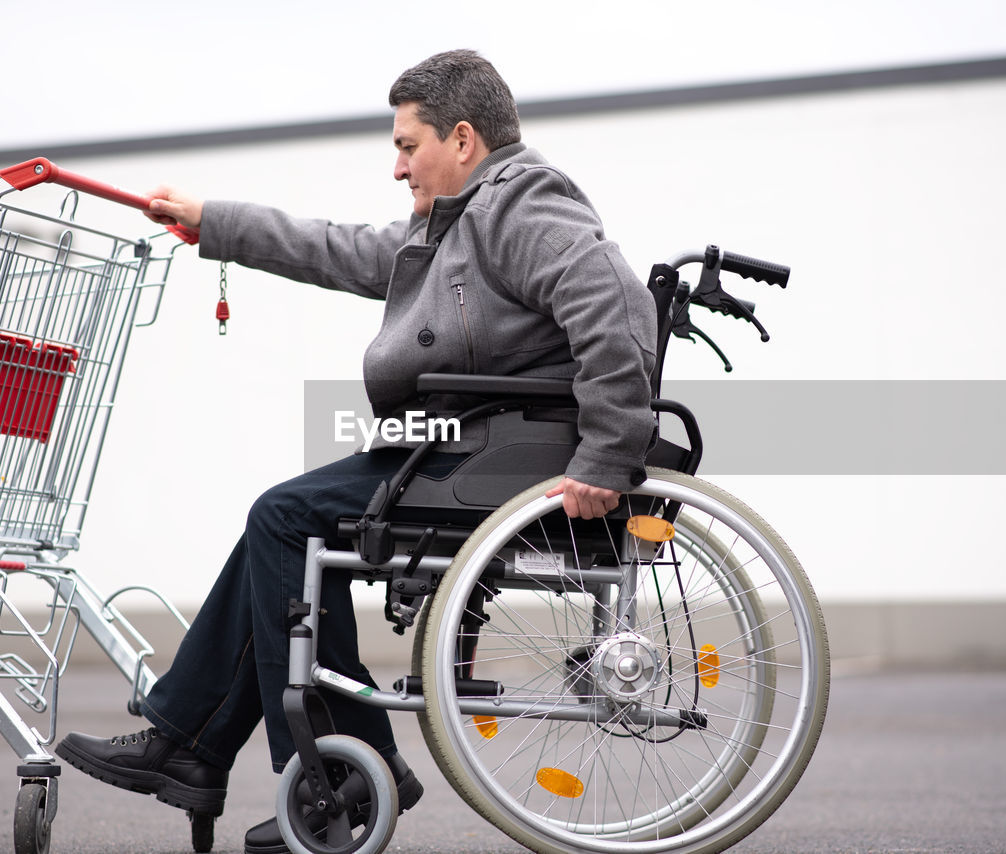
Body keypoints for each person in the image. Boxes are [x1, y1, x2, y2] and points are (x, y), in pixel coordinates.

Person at [54, 49, 656, 854]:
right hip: (464, 446)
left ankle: (304, 767)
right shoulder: (459, 221)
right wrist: (215, 222)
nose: (397, 165)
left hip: (499, 456)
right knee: (285, 522)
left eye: (410, 145)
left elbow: (615, 306)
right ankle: (204, 747)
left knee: (286, 517)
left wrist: (604, 461)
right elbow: (338, 248)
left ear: (465, 140)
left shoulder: (522, 204)